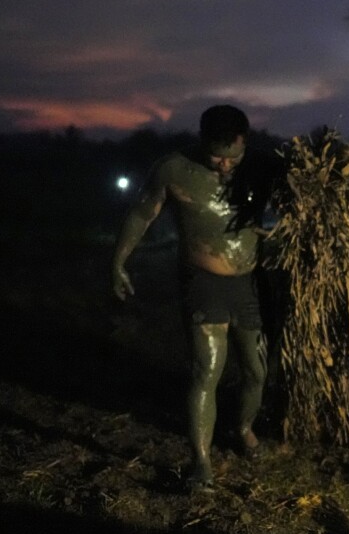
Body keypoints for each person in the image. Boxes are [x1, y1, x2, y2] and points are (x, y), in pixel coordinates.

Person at [111, 104, 268, 490]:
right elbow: (141, 213)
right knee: (207, 371)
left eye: (234, 156)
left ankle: (243, 428)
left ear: (244, 143)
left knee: (256, 371)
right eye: (217, 156)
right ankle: (201, 462)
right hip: (203, 282)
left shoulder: (258, 168)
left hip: (248, 284)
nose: (225, 166)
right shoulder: (174, 169)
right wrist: (118, 261)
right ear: (202, 141)